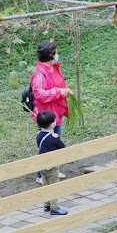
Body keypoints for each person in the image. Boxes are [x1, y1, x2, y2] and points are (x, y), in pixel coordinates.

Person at [32, 41, 73, 185]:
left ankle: (53, 170)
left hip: (56, 110)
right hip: (46, 115)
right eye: (55, 53)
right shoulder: (39, 74)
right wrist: (58, 92)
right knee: (46, 144)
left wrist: (65, 90)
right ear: (50, 56)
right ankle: (40, 174)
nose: (57, 55)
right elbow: (39, 94)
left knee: (55, 140)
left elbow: (58, 84)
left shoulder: (53, 68)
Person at [36, 110, 68, 215]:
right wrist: (56, 138)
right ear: (52, 124)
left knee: (45, 184)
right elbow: (62, 147)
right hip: (51, 165)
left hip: (42, 164)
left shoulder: (39, 135)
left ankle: (46, 205)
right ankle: (54, 208)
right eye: (54, 121)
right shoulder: (54, 137)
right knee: (54, 185)